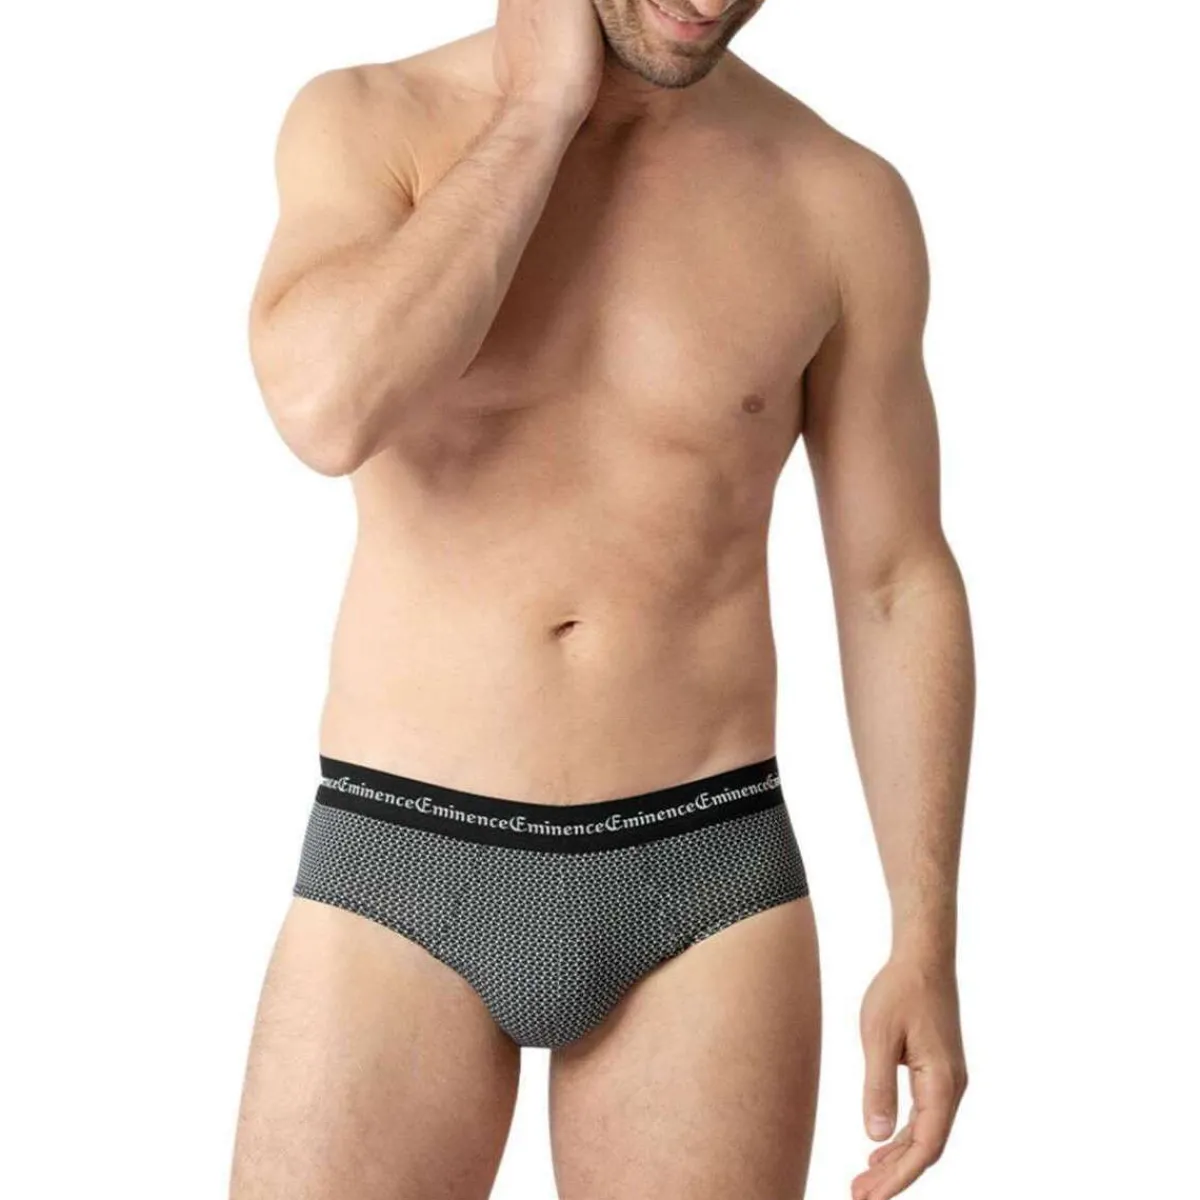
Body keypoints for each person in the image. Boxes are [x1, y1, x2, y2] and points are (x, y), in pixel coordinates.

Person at [229, 1, 974, 1197]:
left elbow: (893, 580)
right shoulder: (373, 121)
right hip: (402, 858)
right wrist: (538, 112)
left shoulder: (839, 199)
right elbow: (325, 408)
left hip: (704, 877)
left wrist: (924, 938)